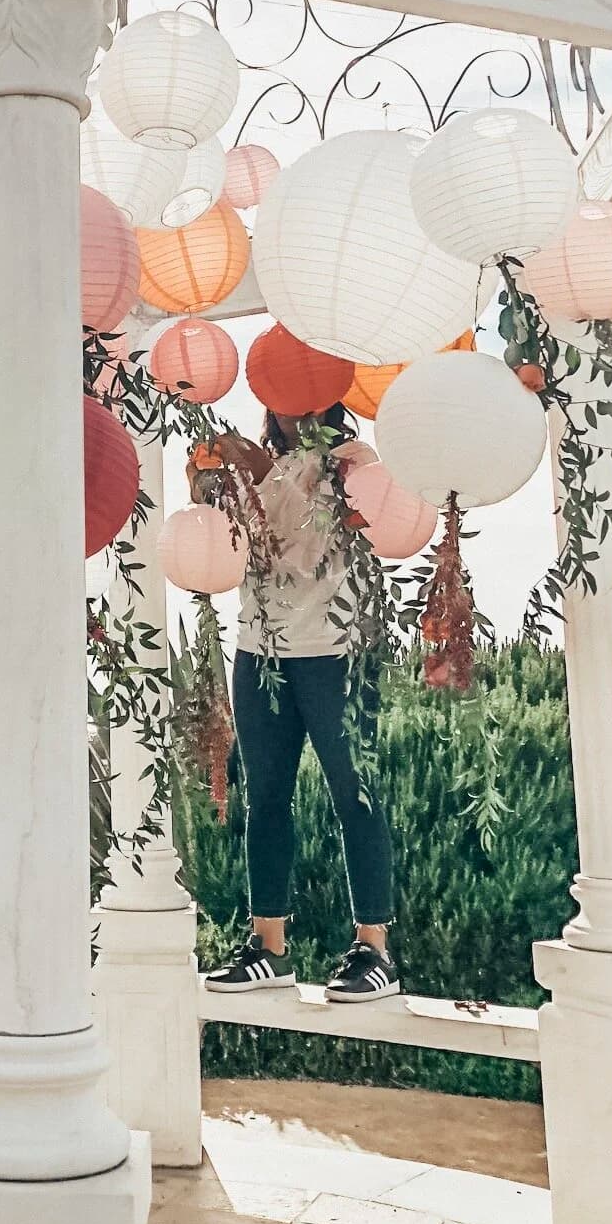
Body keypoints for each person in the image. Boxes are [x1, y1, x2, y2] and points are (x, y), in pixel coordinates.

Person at [203, 406, 399, 1004]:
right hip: (258, 649)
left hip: (335, 650)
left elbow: (329, 542)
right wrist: (213, 486)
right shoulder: (248, 467)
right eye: (280, 390)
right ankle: (269, 947)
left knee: (354, 794)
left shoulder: (353, 462)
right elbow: (223, 550)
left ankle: (375, 950)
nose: (293, 404)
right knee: (265, 801)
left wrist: (260, 472)